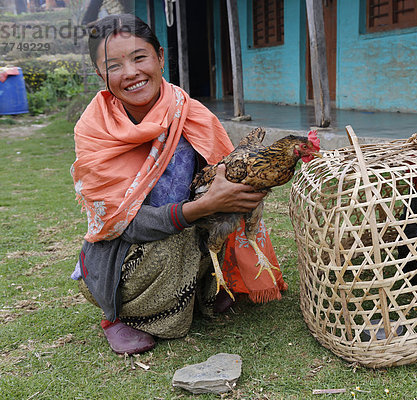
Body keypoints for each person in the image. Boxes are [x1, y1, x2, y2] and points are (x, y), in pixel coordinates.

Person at [71, 14, 287, 355]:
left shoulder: (192, 113)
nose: (130, 73)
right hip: (126, 253)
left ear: (159, 57)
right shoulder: (95, 130)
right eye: (114, 66)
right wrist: (203, 207)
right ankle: (120, 317)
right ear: (101, 74)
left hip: (189, 226)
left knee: (221, 222)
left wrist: (236, 195)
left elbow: (223, 176)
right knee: (177, 239)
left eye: (139, 57)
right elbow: (122, 224)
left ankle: (199, 291)